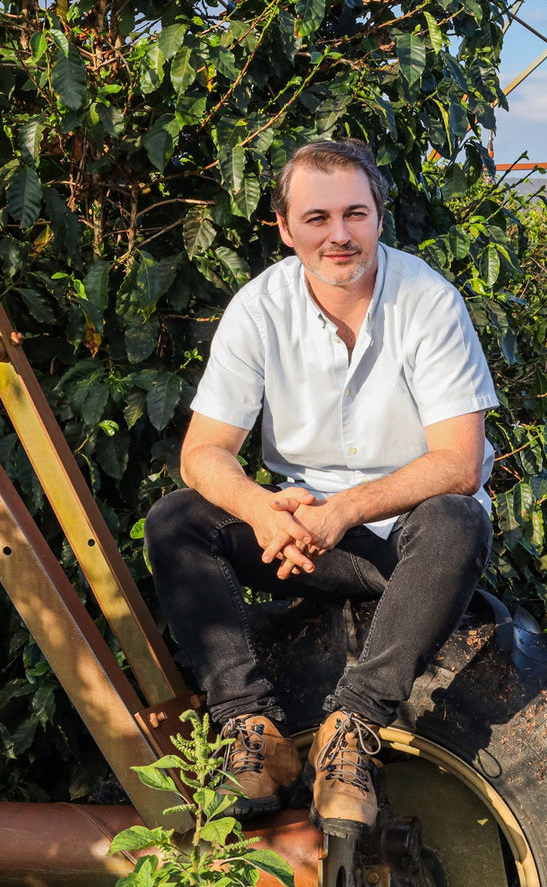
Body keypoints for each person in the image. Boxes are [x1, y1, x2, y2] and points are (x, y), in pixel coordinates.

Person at [145, 138, 497, 837]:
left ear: (378, 217)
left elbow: (460, 462)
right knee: (176, 520)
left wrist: (344, 511)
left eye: (355, 214)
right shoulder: (258, 309)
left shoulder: (428, 301)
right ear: (284, 227)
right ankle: (251, 728)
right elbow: (203, 453)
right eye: (317, 218)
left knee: (459, 517)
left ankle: (353, 728)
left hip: (406, 545)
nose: (340, 235)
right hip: (300, 537)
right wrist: (261, 511)